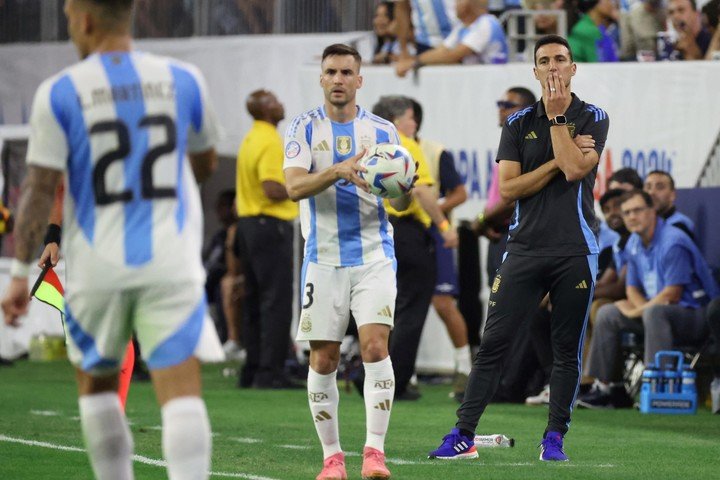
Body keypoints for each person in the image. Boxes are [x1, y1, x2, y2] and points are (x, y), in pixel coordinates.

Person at [1, 1, 220, 479]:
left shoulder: (59, 92)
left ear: (83, 19)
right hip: (170, 258)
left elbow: (40, 188)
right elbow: (205, 164)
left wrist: (19, 275)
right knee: (182, 393)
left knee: (99, 390)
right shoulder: (184, 80)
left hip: (97, 263)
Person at [429, 34, 609, 462]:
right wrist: (555, 156)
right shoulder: (516, 123)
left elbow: (574, 171)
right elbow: (509, 188)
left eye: (560, 59)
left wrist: (559, 120)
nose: (552, 67)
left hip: (574, 250)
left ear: (572, 67)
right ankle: (463, 435)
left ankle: (554, 439)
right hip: (524, 248)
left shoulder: (594, 117)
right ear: (534, 70)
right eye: (544, 60)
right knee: (493, 344)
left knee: (566, 349)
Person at [283, 44, 414, 480]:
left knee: (376, 347)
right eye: (331, 71)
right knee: (323, 360)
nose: (338, 79)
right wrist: (338, 171)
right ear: (321, 78)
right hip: (323, 259)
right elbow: (294, 188)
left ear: (360, 80)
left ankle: (374, 455)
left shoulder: (383, 131)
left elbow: (401, 204)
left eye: (346, 72)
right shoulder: (302, 129)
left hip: (374, 255)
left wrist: (401, 185)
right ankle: (332, 459)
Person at [579, 190, 720, 408]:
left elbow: (672, 293)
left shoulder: (673, 241)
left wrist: (637, 311)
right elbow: (632, 287)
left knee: (654, 313)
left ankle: (659, 387)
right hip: (656, 314)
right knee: (608, 313)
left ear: (652, 211)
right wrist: (638, 308)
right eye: (627, 213)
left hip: (696, 315)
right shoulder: (634, 241)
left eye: (637, 210)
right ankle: (607, 388)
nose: (632, 217)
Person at [372, 95, 459, 402]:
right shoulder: (405, 144)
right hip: (409, 232)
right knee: (412, 309)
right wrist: (444, 228)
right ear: (397, 121)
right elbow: (420, 189)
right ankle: (395, 380)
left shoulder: (374, 146)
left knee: (387, 308)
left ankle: (368, 371)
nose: (414, 123)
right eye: (410, 117)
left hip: (382, 232)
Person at [235, 89, 299, 389]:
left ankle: (252, 368)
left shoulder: (250, 138)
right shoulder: (271, 141)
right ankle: (271, 372)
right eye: (274, 101)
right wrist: (306, 186)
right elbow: (272, 188)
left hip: (248, 225)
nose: (281, 103)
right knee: (276, 301)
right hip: (270, 225)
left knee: (255, 300)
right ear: (264, 110)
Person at [410, 98, 471, 402]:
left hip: (435, 232)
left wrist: (435, 209)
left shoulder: (434, 151)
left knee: (443, 302)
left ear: (413, 121)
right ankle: (402, 372)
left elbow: (459, 193)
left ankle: (465, 368)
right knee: (400, 303)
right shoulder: (387, 151)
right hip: (403, 233)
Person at [395, 0, 508, 77]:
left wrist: (415, 61)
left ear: (468, 3)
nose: (454, 5)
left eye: (458, 0)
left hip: (493, 78)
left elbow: (453, 55)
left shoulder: (486, 23)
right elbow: (442, 50)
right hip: (478, 78)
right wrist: (411, 60)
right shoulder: (462, 27)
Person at [643, 170, 694, 239]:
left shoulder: (679, 225)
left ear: (672, 195)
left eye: (659, 187)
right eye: (648, 187)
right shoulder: (642, 224)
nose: (652, 192)